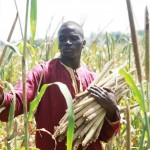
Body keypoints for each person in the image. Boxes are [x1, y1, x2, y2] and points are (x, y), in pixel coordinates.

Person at [0, 21, 120, 150]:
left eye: (73, 38)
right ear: (58, 45)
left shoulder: (96, 80)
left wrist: (112, 110)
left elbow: (105, 135)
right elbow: (19, 98)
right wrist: (2, 98)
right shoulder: (42, 73)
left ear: (83, 43)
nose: (67, 42)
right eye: (62, 39)